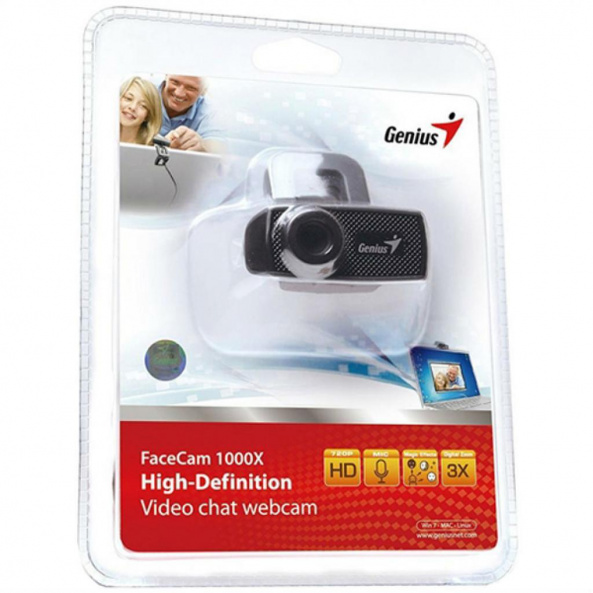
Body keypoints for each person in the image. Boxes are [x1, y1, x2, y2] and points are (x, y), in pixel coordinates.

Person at [157, 75, 224, 153]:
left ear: (203, 92)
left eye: (191, 88)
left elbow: (218, 147)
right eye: (175, 82)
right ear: (166, 78)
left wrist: (202, 146)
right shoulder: (146, 91)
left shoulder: (210, 112)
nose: (179, 93)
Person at [119, 77, 162, 145]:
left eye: (142, 106)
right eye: (128, 99)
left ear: (148, 116)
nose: (133, 107)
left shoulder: (153, 148)